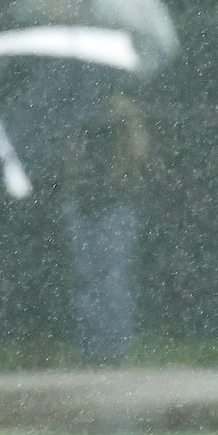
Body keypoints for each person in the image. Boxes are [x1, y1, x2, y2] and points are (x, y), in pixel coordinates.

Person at [59, 91, 150, 364]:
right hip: (82, 201)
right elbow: (67, 158)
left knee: (113, 277)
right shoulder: (75, 108)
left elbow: (139, 153)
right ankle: (90, 347)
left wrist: (128, 118)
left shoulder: (124, 110)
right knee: (86, 277)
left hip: (116, 201)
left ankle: (114, 348)